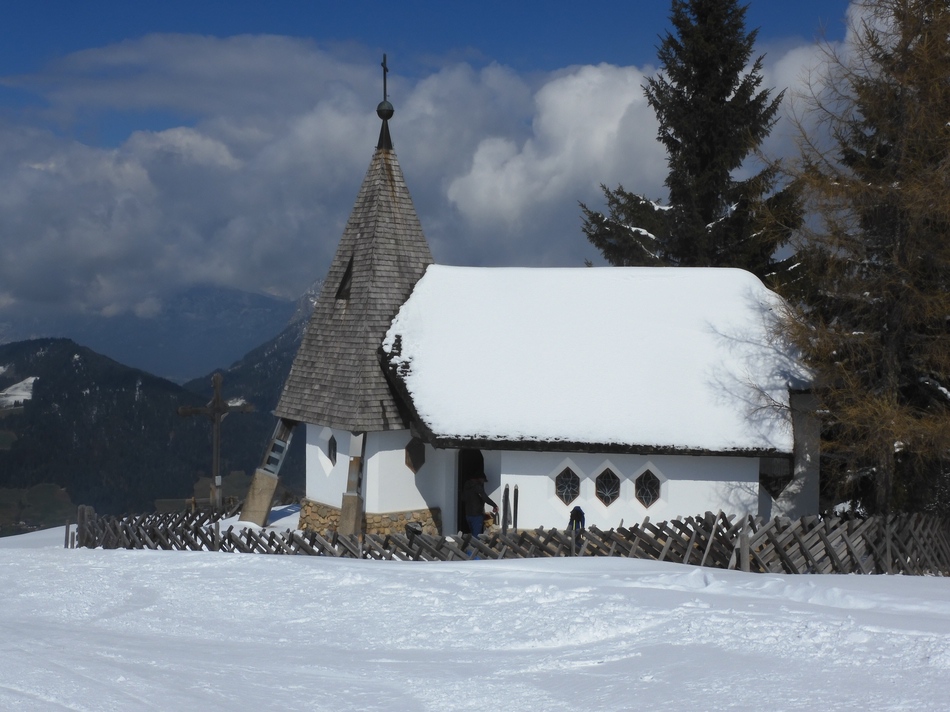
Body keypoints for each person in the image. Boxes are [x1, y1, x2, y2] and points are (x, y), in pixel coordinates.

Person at [462, 471, 498, 536]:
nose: (483, 482)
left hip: (468, 514)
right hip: (477, 515)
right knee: (476, 535)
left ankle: (471, 545)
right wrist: (494, 505)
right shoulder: (477, 487)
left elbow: (463, 498)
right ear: (479, 479)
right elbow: (485, 497)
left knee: (472, 534)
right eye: (482, 480)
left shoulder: (466, 486)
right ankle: (474, 546)